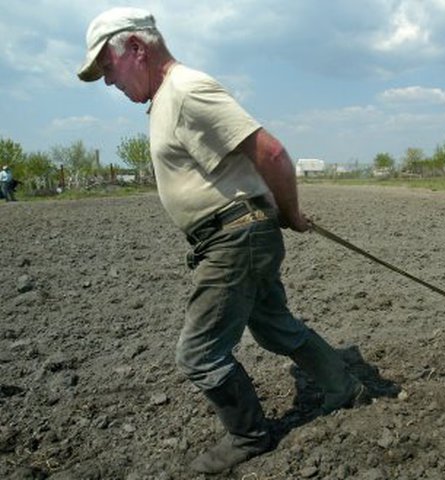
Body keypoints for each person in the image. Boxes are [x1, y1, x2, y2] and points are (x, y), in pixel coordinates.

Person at [77, 7, 369, 475]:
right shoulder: (168, 99)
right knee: (275, 326)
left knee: (198, 353)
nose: (109, 81)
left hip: (235, 240)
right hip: (238, 235)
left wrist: (290, 213)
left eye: (107, 68)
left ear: (135, 48)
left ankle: (249, 435)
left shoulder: (187, 90)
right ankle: (343, 387)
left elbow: (270, 151)